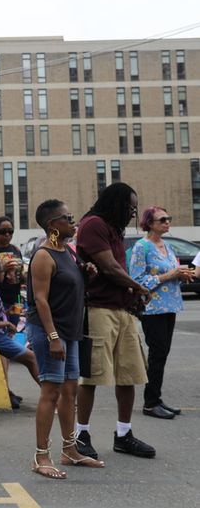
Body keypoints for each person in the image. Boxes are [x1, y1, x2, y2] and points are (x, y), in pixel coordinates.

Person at [75, 182, 154, 460]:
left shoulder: (113, 229)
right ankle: (80, 434)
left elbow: (117, 269)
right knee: (92, 376)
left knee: (129, 374)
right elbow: (108, 267)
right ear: (116, 203)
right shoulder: (93, 225)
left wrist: (131, 293)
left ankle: (124, 435)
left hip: (122, 311)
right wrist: (139, 287)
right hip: (98, 309)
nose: (133, 213)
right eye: (130, 207)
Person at [27, 199, 104, 481]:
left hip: (70, 332)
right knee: (51, 391)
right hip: (51, 332)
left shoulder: (68, 252)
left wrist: (86, 274)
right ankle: (40, 456)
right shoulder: (44, 255)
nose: (74, 222)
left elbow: (68, 288)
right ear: (52, 225)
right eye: (68, 218)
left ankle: (70, 450)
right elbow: (41, 300)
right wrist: (53, 338)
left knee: (71, 391)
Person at [129, 206, 194, 419]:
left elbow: (172, 270)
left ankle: (156, 398)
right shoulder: (142, 247)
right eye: (162, 219)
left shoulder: (166, 245)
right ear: (149, 224)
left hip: (170, 306)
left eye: (168, 218)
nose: (167, 222)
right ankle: (150, 402)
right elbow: (137, 281)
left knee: (162, 354)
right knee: (157, 354)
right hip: (153, 309)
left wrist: (181, 275)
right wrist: (168, 275)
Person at [0, 259, 40, 396]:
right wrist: (7, 323)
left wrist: (7, 312)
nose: (5, 275)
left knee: (30, 360)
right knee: (32, 358)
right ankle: (51, 397)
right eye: (2, 271)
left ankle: (50, 395)